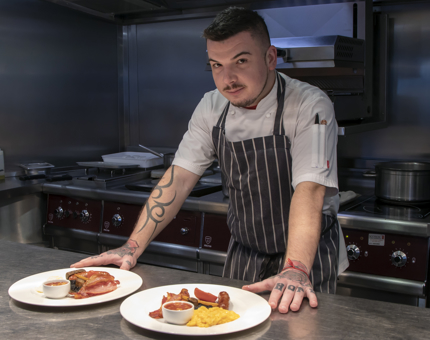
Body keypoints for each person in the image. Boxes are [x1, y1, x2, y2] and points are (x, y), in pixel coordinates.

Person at [71, 7, 348, 313]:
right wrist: (131, 247)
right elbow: (179, 178)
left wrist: (295, 268)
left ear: (271, 57)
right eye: (217, 65)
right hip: (246, 252)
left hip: (307, 260)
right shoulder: (212, 107)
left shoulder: (311, 105)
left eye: (241, 61)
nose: (228, 78)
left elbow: (309, 190)